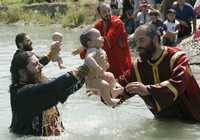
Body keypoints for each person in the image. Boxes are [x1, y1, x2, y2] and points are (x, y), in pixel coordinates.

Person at [117, 23, 200, 122]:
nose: (138, 46)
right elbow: (120, 89)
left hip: (192, 120)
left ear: (155, 39)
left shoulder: (177, 58)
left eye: (142, 40)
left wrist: (148, 90)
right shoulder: (137, 66)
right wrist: (105, 89)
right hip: (164, 122)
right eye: (136, 41)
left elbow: (178, 84)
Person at [9, 51, 89, 136]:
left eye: (39, 63)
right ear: (22, 72)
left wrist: (87, 75)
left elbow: (65, 88)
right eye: (35, 64)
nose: (41, 66)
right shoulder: (22, 94)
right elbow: (54, 87)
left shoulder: (40, 86)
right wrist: (85, 68)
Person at [74, 3, 132, 87]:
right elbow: (90, 39)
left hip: (120, 64)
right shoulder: (98, 25)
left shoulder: (118, 23)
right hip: (107, 64)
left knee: (120, 90)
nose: (108, 13)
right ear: (99, 14)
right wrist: (84, 49)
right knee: (107, 92)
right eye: (104, 12)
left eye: (109, 10)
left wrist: (84, 47)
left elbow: (107, 41)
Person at [79, 28, 124, 106]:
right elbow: (88, 58)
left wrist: (106, 64)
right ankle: (109, 101)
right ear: (90, 43)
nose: (102, 37)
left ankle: (113, 90)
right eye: (98, 36)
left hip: (100, 75)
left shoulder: (99, 49)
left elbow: (102, 60)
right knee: (105, 85)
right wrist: (97, 67)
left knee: (110, 75)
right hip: (92, 79)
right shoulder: (92, 50)